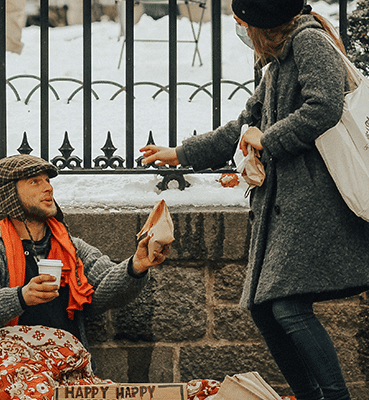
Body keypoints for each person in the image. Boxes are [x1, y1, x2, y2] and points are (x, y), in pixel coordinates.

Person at [140, 1, 369, 400]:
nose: (239, 29)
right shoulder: (280, 59)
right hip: (289, 204)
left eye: (241, 21)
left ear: (261, 23)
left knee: (286, 306)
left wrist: (270, 139)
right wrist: (181, 153)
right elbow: (244, 124)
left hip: (315, 203)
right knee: (264, 308)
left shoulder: (309, 42)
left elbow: (325, 105)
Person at [0, 153, 168, 345]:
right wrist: (21, 297)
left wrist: (136, 266)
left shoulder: (71, 247)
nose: (48, 187)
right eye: (34, 181)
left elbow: (105, 287)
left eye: (47, 181)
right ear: (10, 195)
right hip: (11, 371)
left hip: (67, 366)